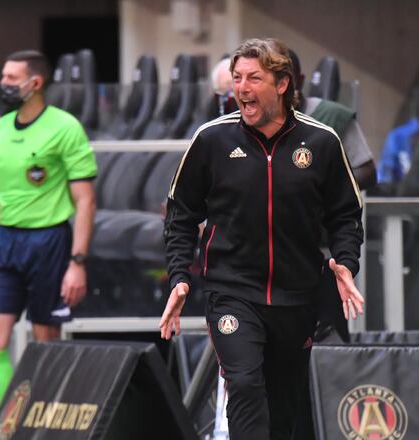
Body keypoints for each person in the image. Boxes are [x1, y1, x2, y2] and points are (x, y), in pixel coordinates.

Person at [160, 38, 364, 440]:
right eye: (237, 78)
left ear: (283, 83)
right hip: (231, 291)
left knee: (284, 405)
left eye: (254, 78)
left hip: (298, 297)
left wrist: (346, 262)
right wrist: (180, 275)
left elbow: (345, 214)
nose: (242, 88)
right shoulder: (212, 140)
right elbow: (180, 214)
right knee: (245, 384)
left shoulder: (321, 141)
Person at [0, 50, 97, 423]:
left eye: (11, 77)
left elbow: (85, 201)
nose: (3, 84)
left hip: (49, 242)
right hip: (5, 244)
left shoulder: (65, 127)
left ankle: (48, 426)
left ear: (34, 83)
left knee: (45, 342)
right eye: (3, 75)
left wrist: (78, 262)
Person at [288, 49, 376, 190]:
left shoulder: (334, 116)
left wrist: (327, 190)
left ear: (300, 80)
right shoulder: (259, 119)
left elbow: (367, 172)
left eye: (286, 79)